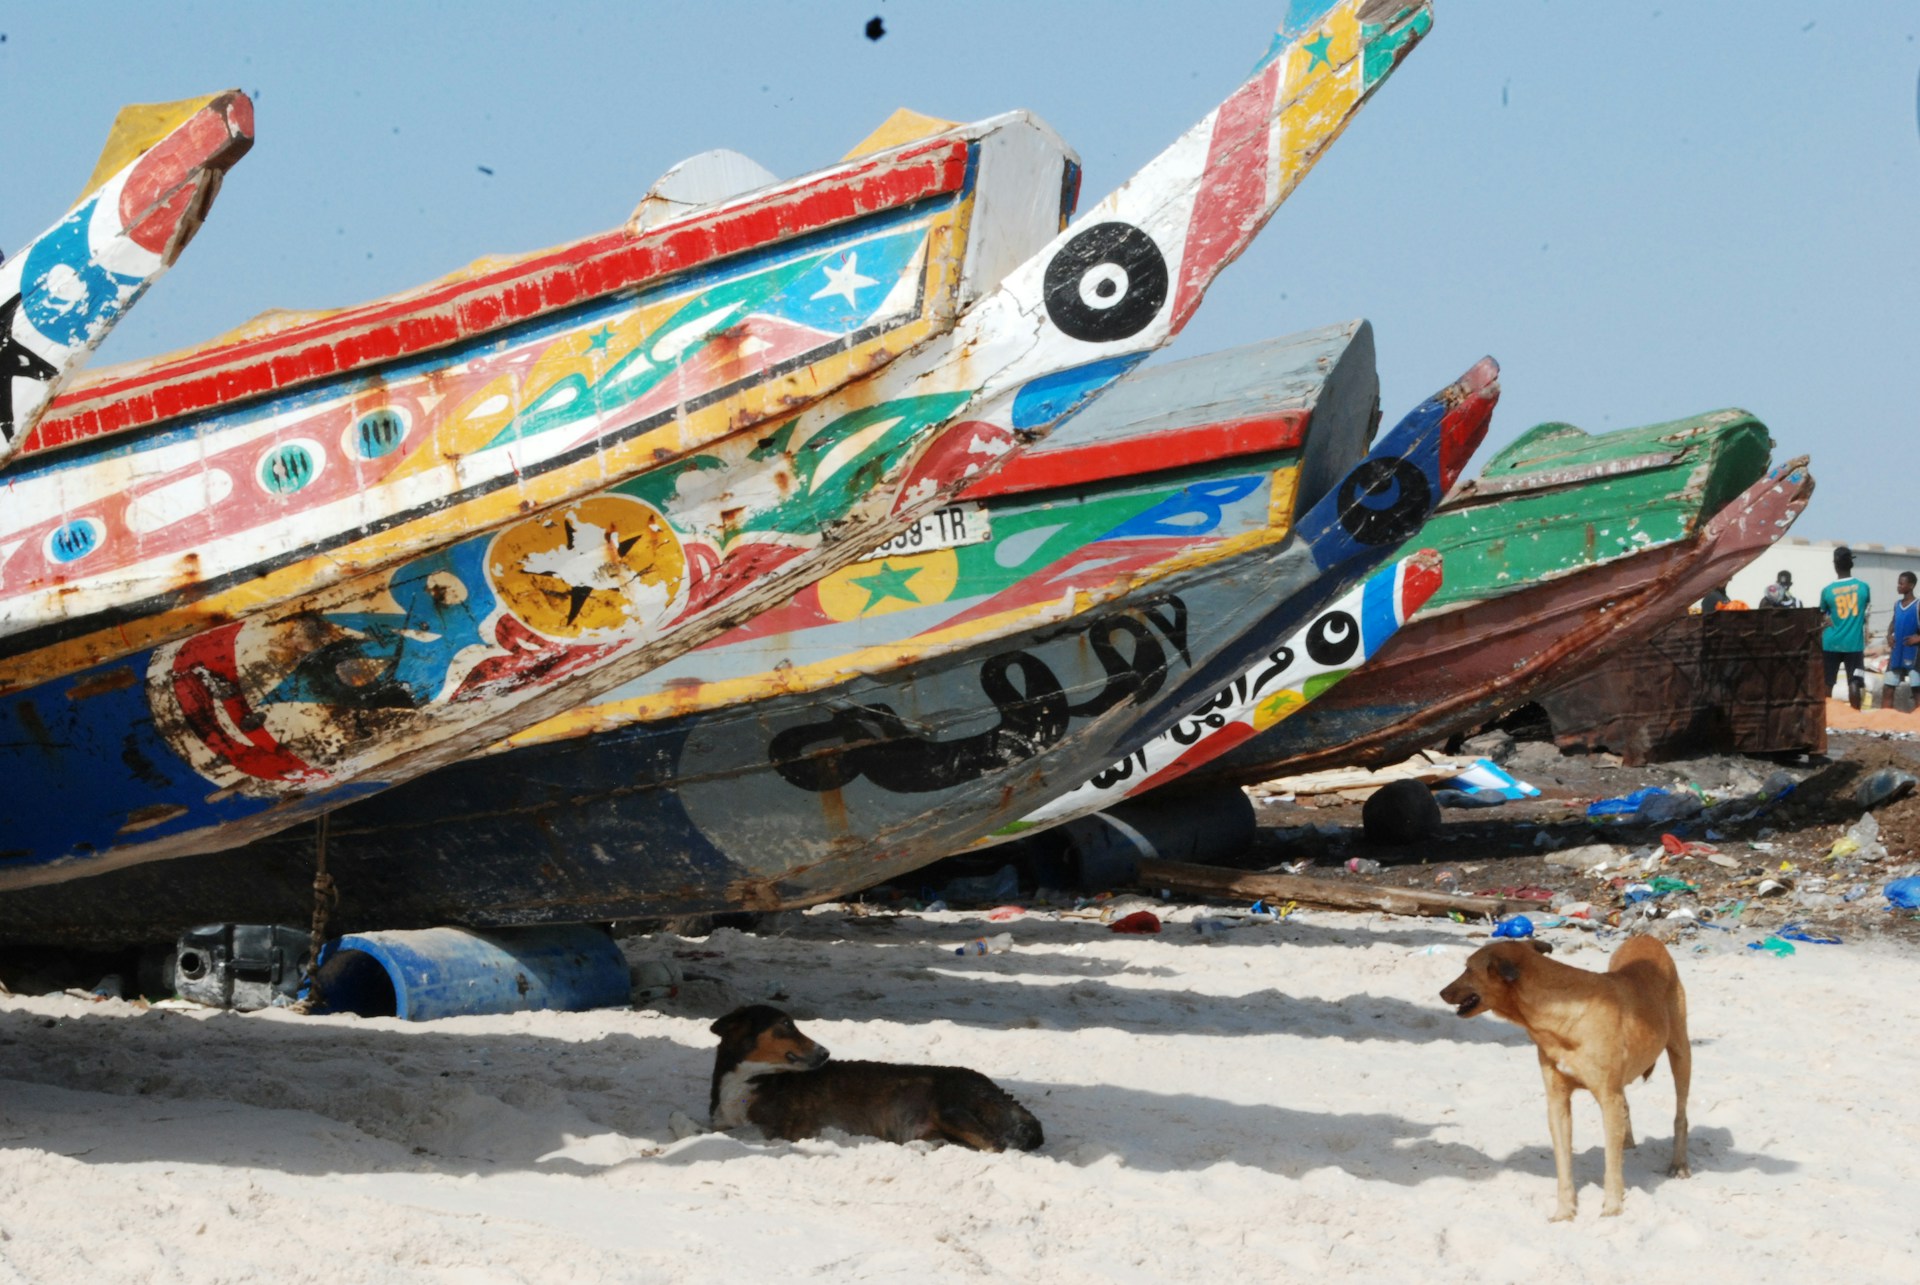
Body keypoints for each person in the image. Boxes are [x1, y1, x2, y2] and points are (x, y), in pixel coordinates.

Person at [1820, 546, 1872, 710]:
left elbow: (1823, 616)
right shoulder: (1863, 587)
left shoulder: (1827, 591)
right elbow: (1865, 612)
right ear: (1851, 564)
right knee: (1855, 681)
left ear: (1835, 565)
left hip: (1830, 642)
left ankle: (1825, 718)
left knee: (1827, 682)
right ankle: (1855, 717)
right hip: (1854, 644)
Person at [1886, 571, 1920, 709]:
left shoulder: (1918, 605)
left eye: (1901, 583)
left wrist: (1918, 638)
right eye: (1898, 583)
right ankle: (1884, 718)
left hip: (1913, 653)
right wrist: (1889, 635)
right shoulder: (1897, 604)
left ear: (1911, 586)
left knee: (1916, 689)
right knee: (1888, 687)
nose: (1898, 586)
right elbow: (1893, 622)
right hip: (1897, 652)